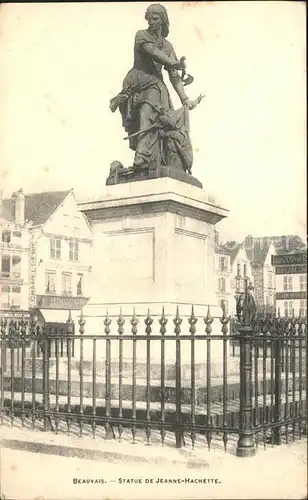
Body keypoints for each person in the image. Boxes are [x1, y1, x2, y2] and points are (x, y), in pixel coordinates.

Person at [110, 3, 196, 172]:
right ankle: (142, 155)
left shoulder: (168, 46)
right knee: (147, 111)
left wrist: (185, 99)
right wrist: (175, 63)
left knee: (151, 112)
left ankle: (146, 156)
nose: (152, 22)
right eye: (149, 19)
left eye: (155, 19)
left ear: (163, 21)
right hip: (138, 80)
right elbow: (153, 53)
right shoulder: (141, 36)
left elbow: (173, 76)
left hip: (156, 84)